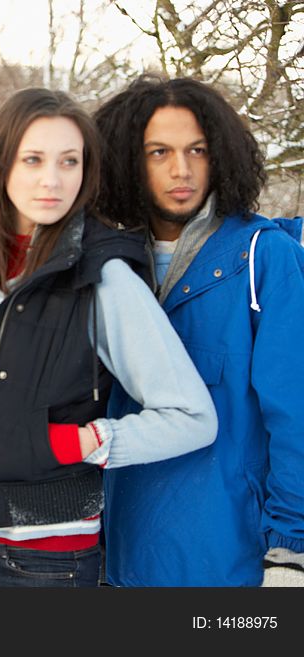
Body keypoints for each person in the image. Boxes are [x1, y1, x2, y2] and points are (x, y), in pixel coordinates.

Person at [0, 88, 218, 587]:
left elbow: (193, 418)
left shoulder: (104, 276)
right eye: (34, 159)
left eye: (70, 162)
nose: (52, 180)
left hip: (44, 560)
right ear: (1, 163)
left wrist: (80, 441)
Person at [94, 75, 304, 587]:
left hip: (229, 557)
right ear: (128, 160)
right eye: (159, 152)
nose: (181, 169)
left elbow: (295, 413)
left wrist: (291, 549)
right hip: (117, 555)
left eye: (197, 150)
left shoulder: (263, 258)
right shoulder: (102, 263)